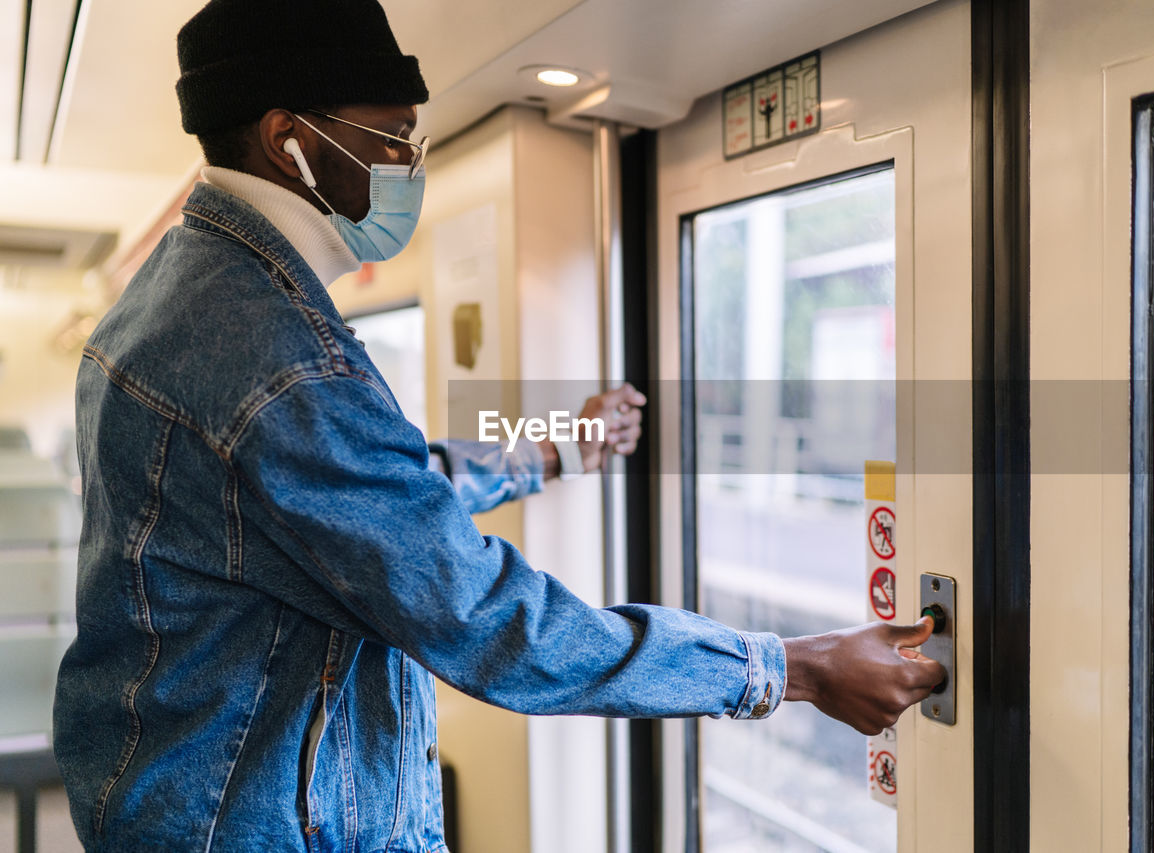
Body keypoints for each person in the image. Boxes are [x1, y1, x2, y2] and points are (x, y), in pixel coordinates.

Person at [52, 0, 945, 850]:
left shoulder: (173, 301)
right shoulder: (279, 358)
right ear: (290, 141)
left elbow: (364, 494)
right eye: (393, 136)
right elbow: (483, 618)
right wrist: (787, 667)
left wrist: (555, 448)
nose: (411, 162)